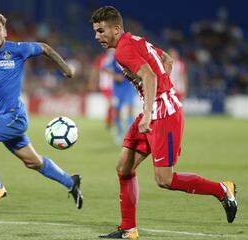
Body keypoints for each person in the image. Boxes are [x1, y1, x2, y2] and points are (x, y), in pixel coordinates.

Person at [91, 6, 237, 239]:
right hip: (154, 108)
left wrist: (149, 111)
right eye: (95, 31)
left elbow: (148, 75)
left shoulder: (122, 51)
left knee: (164, 180)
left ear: (116, 29)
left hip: (163, 114)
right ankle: (129, 229)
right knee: (124, 167)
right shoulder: (135, 41)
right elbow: (166, 59)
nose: (97, 36)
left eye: (100, 31)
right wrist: (160, 88)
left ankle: (222, 190)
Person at [0, 12, 83, 209]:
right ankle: (71, 182)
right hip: (2, 117)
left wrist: (66, 69)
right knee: (33, 162)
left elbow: (45, 48)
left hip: (14, 116)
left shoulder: (17, 50)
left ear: (5, 32)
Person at [103, 54, 136, 143]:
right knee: (116, 110)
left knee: (130, 108)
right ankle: (119, 132)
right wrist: (115, 76)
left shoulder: (130, 55)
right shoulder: (114, 57)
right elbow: (104, 68)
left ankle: (131, 135)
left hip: (129, 86)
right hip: (117, 88)